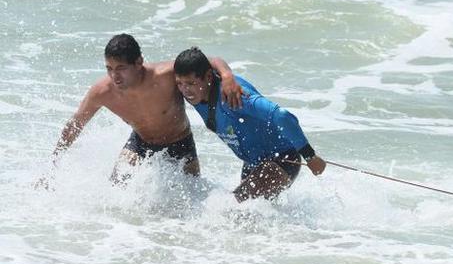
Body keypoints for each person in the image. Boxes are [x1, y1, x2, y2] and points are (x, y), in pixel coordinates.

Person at [40, 34, 243, 187]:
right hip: (140, 143)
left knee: (190, 199)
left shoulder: (166, 75)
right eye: (109, 69)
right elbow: (75, 124)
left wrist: (227, 77)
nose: (114, 76)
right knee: (116, 188)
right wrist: (54, 162)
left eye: (120, 68)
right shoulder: (102, 92)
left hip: (181, 143)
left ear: (138, 63)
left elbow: (209, 62)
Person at [173, 47, 326, 202]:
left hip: (282, 159)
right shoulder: (196, 92)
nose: (185, 90)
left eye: (190, 83)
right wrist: (227, 74)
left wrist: (310, 156)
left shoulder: (235, 95)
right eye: (179, 83)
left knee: (232, 207)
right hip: (252, 163)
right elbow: (210, 60)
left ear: (208, 77)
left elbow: (282, 116)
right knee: (247, 219)